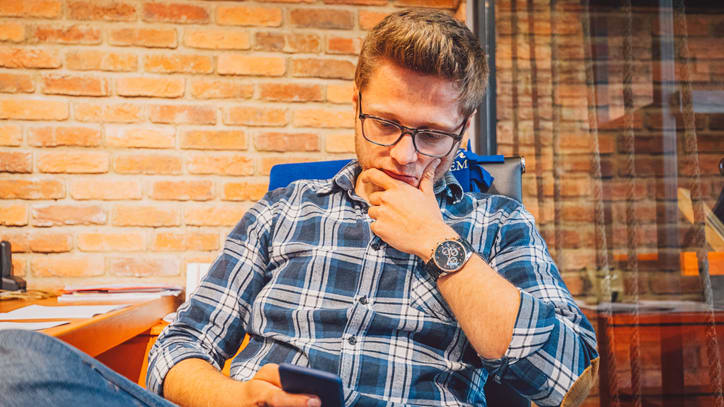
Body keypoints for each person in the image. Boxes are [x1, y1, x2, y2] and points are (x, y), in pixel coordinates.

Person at [0, 9, 598, 407]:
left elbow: (566, 378)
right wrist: (239, 399)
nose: (402, 155)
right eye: (385, 123)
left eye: (431, 135)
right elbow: (174, 352)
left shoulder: (497, 227)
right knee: (14, 360)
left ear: (463, 129)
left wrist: (440, 245)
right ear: (357, 101)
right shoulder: (282, 211)